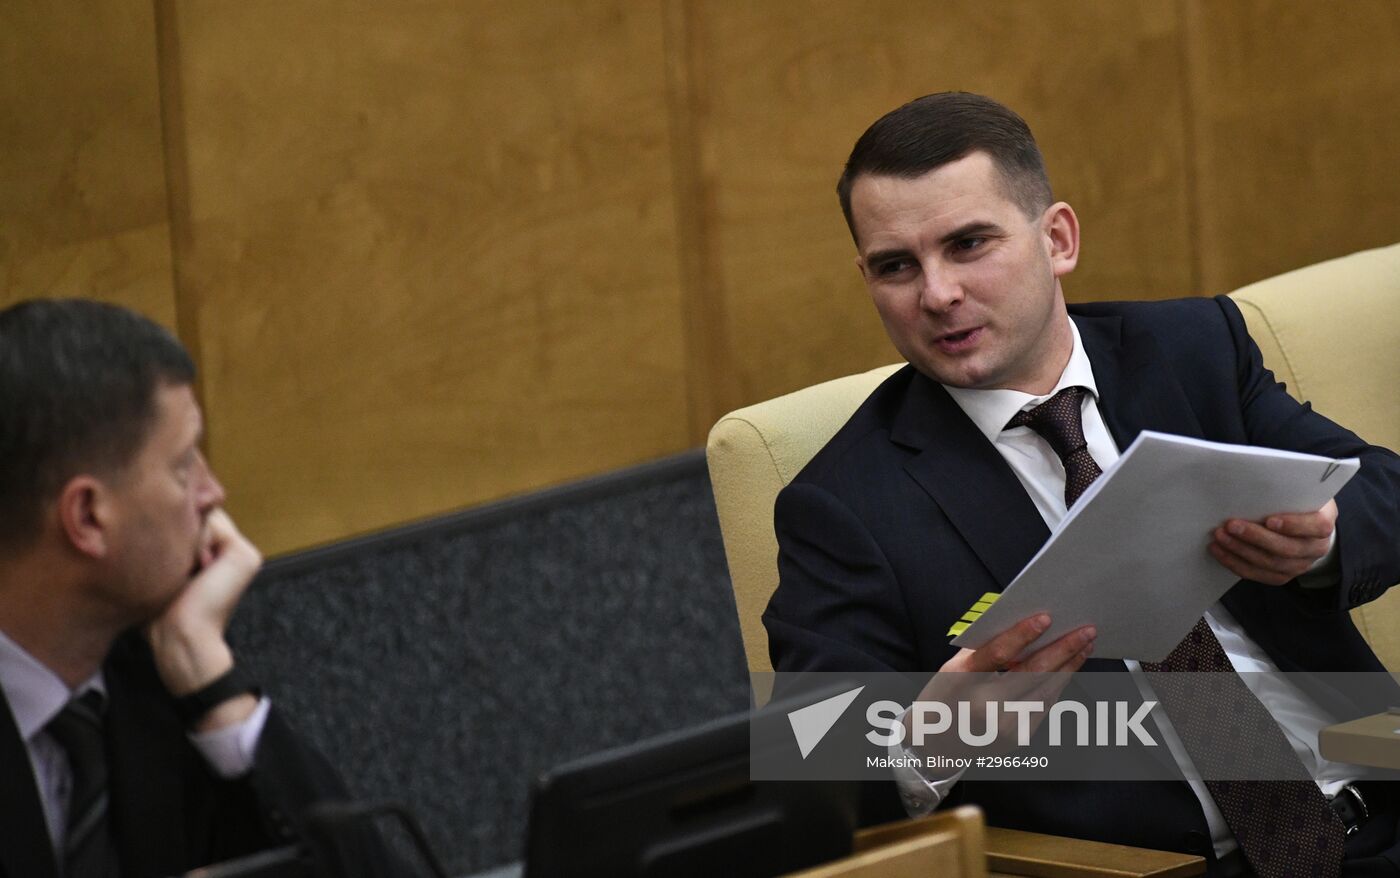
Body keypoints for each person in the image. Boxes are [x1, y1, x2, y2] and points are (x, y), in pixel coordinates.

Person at [764, 92, 1400, 876]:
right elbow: (805, 760)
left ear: (1057, 238)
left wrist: (1323, 537)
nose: (936, 294)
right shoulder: (845, 504)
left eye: (968, 244)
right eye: (897, 266)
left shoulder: (1193, 349)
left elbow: (1386, 493)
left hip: (1376, 809)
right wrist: (923, 743)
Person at [0, 299, 394, 877]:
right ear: (87, 516)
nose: (214, 493)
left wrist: (210, 682)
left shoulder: (151, 671)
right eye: (184, 466)